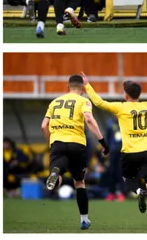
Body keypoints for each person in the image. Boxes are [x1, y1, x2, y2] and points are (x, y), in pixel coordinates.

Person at [84, 68, 147, 230]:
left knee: (127, 180)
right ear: (139, 94)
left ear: (126, 95)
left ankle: (138, 191)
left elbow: (99, 103)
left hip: (129, 152)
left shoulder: (121, 107)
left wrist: (88, 86)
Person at [42, 74, 109, 230]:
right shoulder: (84, 101)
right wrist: (103, 142)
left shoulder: (54, 102)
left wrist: (51, 142)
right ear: (83, 89)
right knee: (79, 182)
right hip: (76, 144)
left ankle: (55, 175)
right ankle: (84, 220)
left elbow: (44, 126)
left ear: (68, 87)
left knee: (57, 175)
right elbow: (89, 120)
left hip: (57, 143)